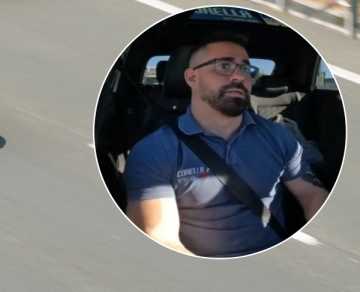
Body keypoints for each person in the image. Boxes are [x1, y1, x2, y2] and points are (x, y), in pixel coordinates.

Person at [124, 31, 329, 257]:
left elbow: (312, 194)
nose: (239, 77)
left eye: (246, 69)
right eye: (223, 66)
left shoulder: (278, 137)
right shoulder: (156, 150)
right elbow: (159, 235)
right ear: (192, 78)